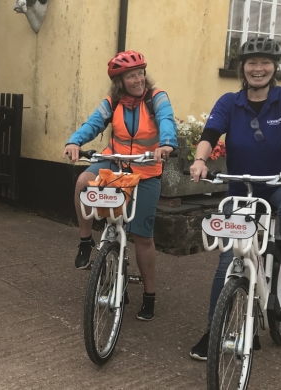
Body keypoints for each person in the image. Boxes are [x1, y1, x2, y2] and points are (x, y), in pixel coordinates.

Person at [188, 37, 281, 360]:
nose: (258, 68)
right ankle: (215, 330)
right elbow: (210, 133)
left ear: (274, 67)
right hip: (243, 189)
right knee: (228, 263)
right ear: (242, 69)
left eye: (265, 62)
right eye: (251, 63)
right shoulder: (230, 102)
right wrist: (200, 160)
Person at [63, 50, 178, 321]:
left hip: (147, 169)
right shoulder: (112, 101)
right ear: (120, 81)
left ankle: (149, 295)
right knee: (82, 183)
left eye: (140, 73)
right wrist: (74, 141)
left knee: (143, 236)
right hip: (115, 162)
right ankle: (84, 242)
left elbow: (166, 119)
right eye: (131, 76)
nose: (138, 79)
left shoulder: (156, 97)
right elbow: (93, 124)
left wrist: (166, 143)